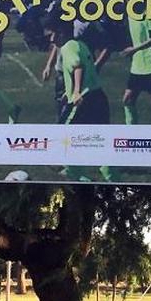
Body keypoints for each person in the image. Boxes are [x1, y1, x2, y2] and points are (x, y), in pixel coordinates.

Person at [51, 17, 114, 182]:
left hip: (85, 100)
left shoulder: (68, 47)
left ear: (62, 34)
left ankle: (75, 173)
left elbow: (78, 66)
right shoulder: (81, 44)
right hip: (98, 96)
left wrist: (77, 91)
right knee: (100, 139)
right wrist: (69, 91)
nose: (51, 39)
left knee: (63, 134)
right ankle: (111, 177)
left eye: (54, 34)